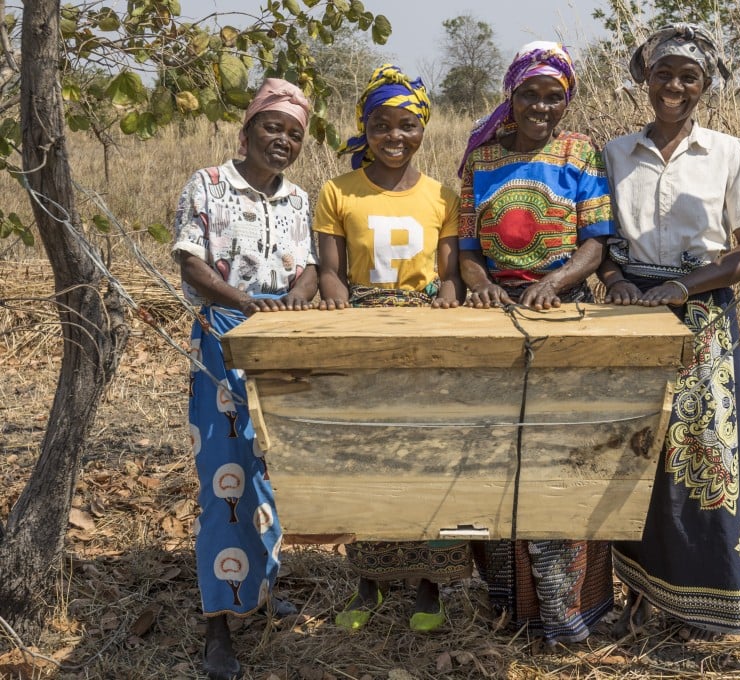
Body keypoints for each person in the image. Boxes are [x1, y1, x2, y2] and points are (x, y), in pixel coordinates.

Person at [598, 24, 740, 642]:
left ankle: (714, 605)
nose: (674, 86)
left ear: (705, 85)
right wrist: (617, 278)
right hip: (631, 317)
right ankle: (642, 600)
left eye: (688, 77)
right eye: (663, 74)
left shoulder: (730, 152)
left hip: (702, 320)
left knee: (702, 458)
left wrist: (684, 287)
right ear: (644, 80)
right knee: (637, 456)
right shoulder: (614, 154)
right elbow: (599, 242)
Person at [457, 41, 617, 645]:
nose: (542, 106)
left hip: (563, 317)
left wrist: (552, 284)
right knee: (495, 459)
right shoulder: (483, 160)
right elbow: (469, 252)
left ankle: (567, 612)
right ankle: (508, 603)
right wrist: (484, 289)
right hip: (497, 320)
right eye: (531, 94)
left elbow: (595, 245)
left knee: (563, 459)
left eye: (555, 97)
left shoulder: (581, 155)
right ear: (511, 96)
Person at [313, 64, 470, 633]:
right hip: (363, 329)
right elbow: (331, 272)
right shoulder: (337, 191)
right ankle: (370, 582)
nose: (394, 137)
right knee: (367, 455)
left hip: (427, 331)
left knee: (432, 455)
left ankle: (430, 587)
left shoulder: (442, 197)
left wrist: (445, 310)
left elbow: (450, 278)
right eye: (381, 125)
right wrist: (343, 312)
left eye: (407, 125)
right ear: (366, 127)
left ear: (423, 128)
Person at [171, 78, 318, 679]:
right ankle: (218, 624)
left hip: (277, 335)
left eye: (293, 134)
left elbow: (307, 268)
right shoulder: (206, 184)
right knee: (224, 479)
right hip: (223, 334)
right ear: (248, 128)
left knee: (269, 469)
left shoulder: (298, 200)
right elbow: (191, 261)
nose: (281, 140)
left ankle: (263, 590)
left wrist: (292, 304)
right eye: (271, 127)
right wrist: (247, 306)